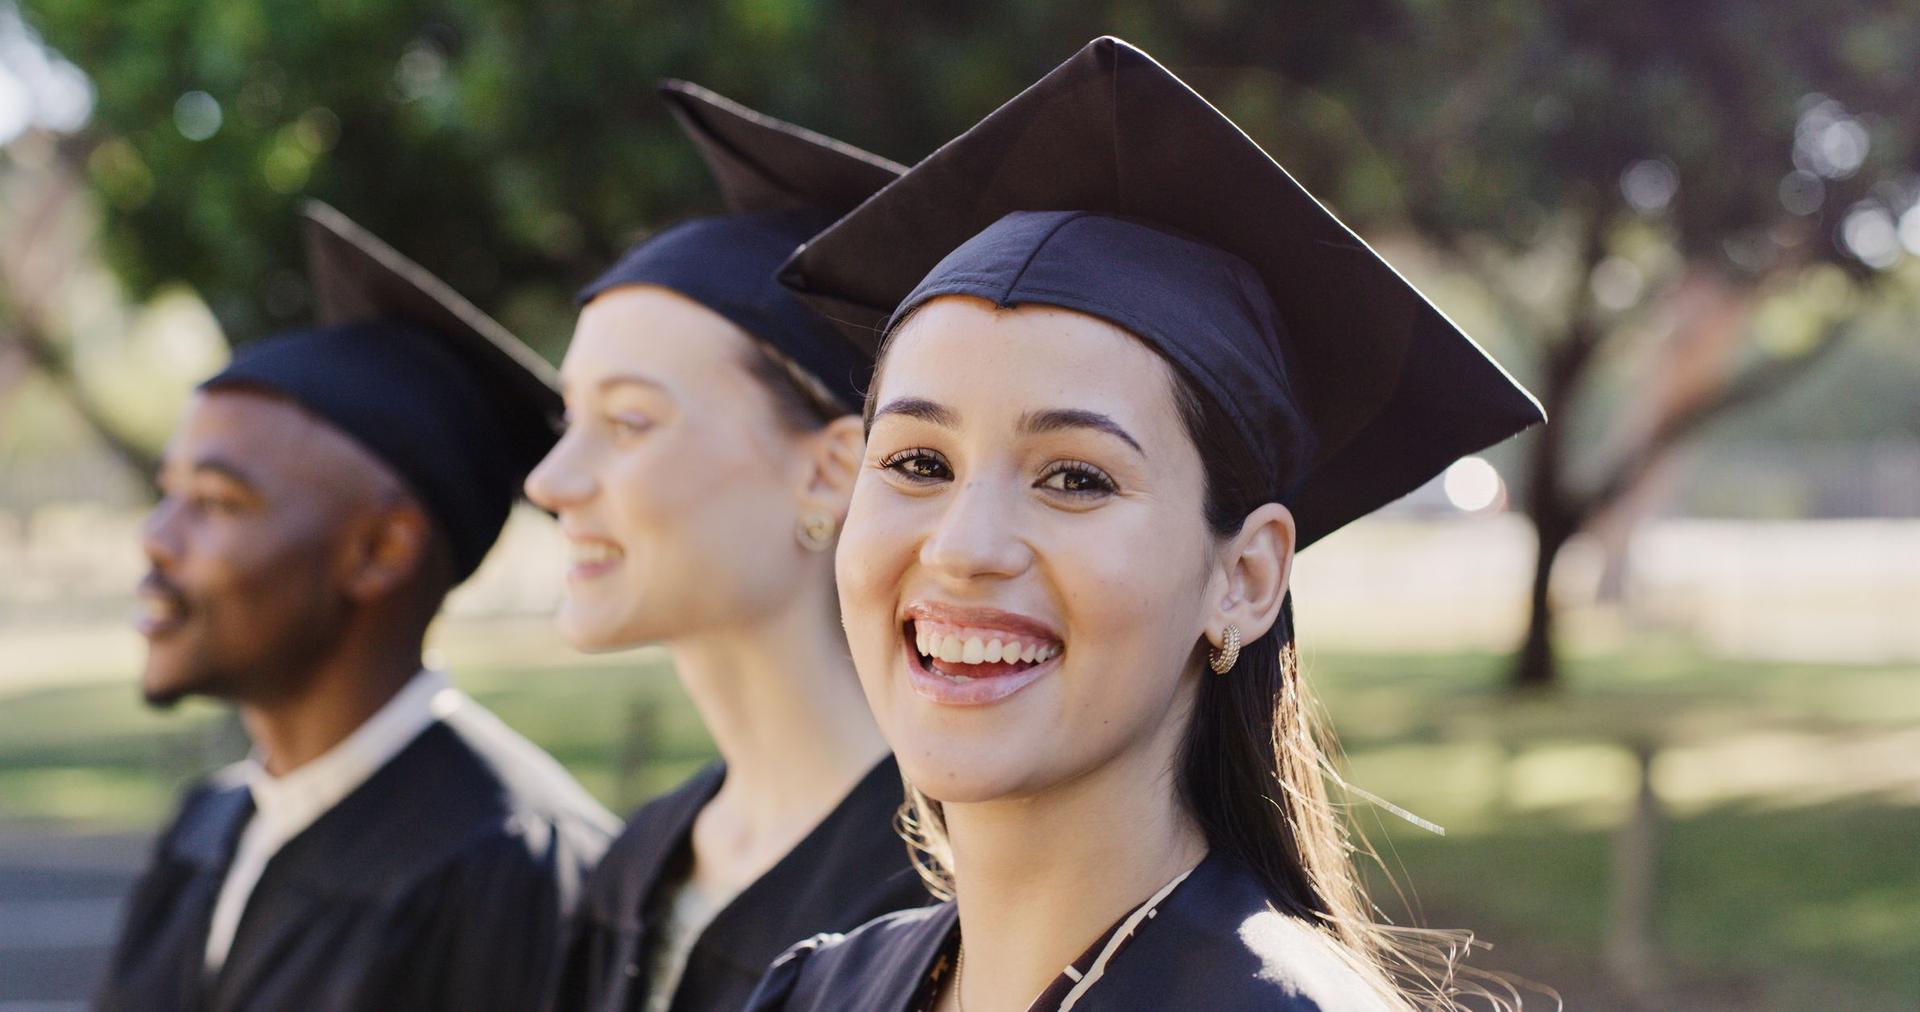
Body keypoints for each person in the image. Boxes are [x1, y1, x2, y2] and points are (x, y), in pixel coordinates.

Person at [745, 37, 1546, 1012]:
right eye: (918, 462)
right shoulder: (821, 990)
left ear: (1245, 578)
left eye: (1075, 478)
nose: (962, 546)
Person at [97, 202, 618, 1012]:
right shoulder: (210, 823)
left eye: (215, 500)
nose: (156, 540)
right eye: (168, 494)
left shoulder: (509, 867)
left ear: (379, 552)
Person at [528, 82, 930, 1012]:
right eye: (567, 417)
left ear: (833, 471)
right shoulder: (640, 866)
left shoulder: (942, 892)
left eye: (628, 421)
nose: (549, 481)